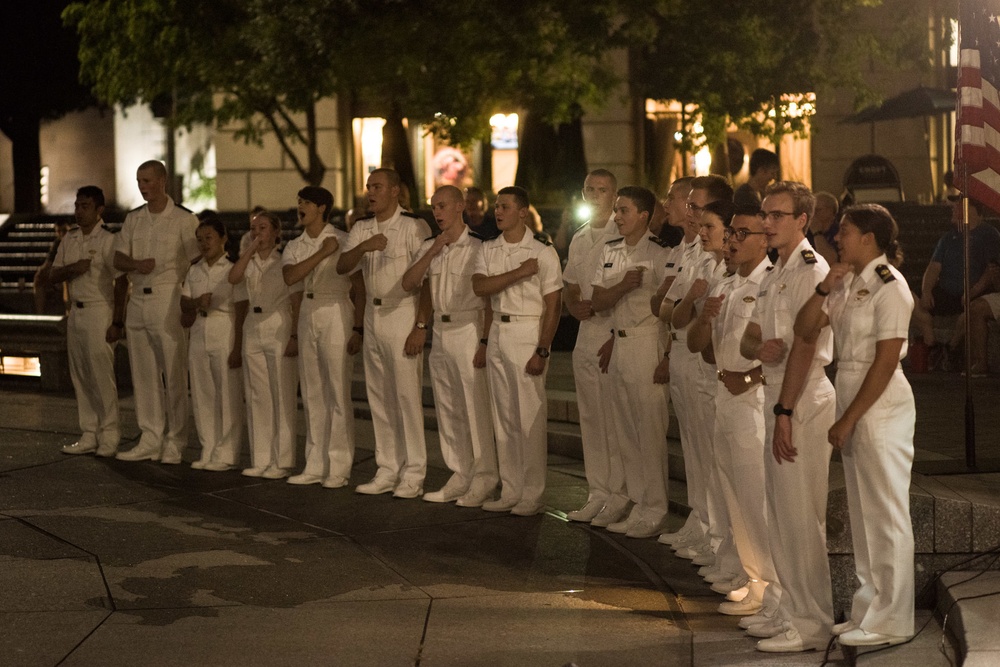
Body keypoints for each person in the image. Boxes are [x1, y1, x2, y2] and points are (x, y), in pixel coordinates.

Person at [793, 204, 915, 648]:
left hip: (880, 402)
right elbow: (804, 328)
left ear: (869, 237)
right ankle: (869, 607)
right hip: (851, 389)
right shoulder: (847, 283)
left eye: (844, 230)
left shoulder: (891, 287)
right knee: (864, 514)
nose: (836, 237)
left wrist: (847, 418)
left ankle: (894, 618)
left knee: (886, 511)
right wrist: (825, 286)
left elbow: (885, 362)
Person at [739, 181, 836, 652]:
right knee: (780, 512)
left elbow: (807, 344)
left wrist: (785, 411)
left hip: (801, 398)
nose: (767, 223)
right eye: (765, 214)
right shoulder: (776, 271)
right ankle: (789, 609)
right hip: (778, 393)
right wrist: (760, 348)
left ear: (803, 220)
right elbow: (755, 339)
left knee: (801, 517)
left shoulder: (808, 270)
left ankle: (813, 624)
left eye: (778, 215)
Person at [687, 203, 777, 621]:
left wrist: (753, 378)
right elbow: (701, 348)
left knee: (756, 498)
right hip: (724, 393)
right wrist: (704, 319)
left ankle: (773, 587)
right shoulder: (727, 283)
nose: (733, 241)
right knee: (734, 497)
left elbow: (786, 348)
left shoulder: (769, 284)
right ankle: (753, 580)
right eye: (734, 233)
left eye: (743, 234)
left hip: (751, 398)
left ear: (764, 239)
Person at [401, 185, 498, 506]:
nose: (437, 213)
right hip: (440, 333)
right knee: (448, 407)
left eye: (442, 206)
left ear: (460, 207)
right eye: (434, 207)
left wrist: (484, 341)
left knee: (475, 407)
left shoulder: (479, 246)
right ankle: (460, 473)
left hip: (468, 328)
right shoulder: (432, 245)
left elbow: (488, 300)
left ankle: (484, 476)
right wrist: (432, 250)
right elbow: (411, 283)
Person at [337, 168, 432, 498]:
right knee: (379, 396)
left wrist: (421, 325)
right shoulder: (362, 227)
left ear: (395, 190)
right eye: (368, 187)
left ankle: (415, 473)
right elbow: (342, 266)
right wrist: (364, 246)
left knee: (406, 396)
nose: (370, 192)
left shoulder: (412, 226)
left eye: (377, 186)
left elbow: (429, 278)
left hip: (402, 310)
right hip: (373, 314)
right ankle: (387, 468)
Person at [472, 186, 562, 516]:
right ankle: (511, 489)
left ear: (523, 212)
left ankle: (532, 493)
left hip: (527, 330)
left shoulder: (542, 251)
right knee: (505, 417)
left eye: (505, 207)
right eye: (497, 206)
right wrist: (519, 273)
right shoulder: (489, 249)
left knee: (529, 418)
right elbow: (480, 287)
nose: (498, 212)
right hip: (498, 329)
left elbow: (554, 304)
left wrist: (543, 349)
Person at [590, 186, 672, 538]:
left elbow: (666, 311)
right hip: (619, 341)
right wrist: (623, 286)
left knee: (648, 430)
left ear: (644, 215)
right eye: (617, 210)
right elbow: (598, 300)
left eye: (624, 210)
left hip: (646, 341)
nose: (617, 216)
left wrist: (666, 355)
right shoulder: (609, 251)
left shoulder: (659, 254)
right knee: (624, 430)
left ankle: (655, 506)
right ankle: (638, 502)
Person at [114, 160, 200, 464]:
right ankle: (149, 437)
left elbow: (197, 262)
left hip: (168, 297)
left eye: (148, 181)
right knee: (144, 374)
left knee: (174, 374)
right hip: (138, 298)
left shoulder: (183, 219)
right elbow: (118, 258)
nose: (142, 186)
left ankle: (176, 440)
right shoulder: (134, 219)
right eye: (139, 181)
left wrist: (189, 302)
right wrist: (136, 265)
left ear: (162, 181)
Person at [282, 186, 363, 489]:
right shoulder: (297, 244)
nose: (300, 207)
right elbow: (291, 277)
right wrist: (321, 253)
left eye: (306, 203)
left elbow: (359, 286)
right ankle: (315, 463)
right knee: (313, 390)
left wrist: (357, 328)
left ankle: (339, 466)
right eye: (299, 201)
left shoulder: (343, 240)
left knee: (337, 390)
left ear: (322, 208)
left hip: (336, 307)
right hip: (308, 309)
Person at [561, 169, 628, 525]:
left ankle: (619, 494)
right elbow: (571, 282)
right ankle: (597, 491)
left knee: (614, 417)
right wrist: (574, 306)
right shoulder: (580, 236)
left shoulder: (623, 236)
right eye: (589, 189)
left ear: (614, 194)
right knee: (590, 416)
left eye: (602, 190)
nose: (594, 195)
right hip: (586, 330)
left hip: (612, 328)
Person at [50, 186, 127, 457]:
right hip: (76, 310)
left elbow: (120, 282)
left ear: (99, 210)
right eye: (77, 205)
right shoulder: (69, 239)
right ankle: (89, 432)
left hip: (99, 310)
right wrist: (73, 269)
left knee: (101, 374)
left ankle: (110, 434)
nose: (79, 211)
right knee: (81, 373)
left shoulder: (109, 240)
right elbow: (53, 275)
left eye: (85, 206)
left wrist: (117, 321)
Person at [229, 211, 302, 479]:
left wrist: (294, 335)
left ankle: (281, 460)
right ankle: (261, 457)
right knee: (257, 394)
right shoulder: (247, 261)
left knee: (280, 393)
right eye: (253, 228)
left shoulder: (284, 260)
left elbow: (296, 300)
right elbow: (233, 278)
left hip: (278, 323)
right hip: (253, 324)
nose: (257, 233)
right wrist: (248, 251)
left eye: (262, 228)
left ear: (275, 232)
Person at [181, 216, 245, 471]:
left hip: (224, 328)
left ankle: (227, 453)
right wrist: (197, 302)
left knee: (227, 393)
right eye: (200, 239)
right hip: (199, 329)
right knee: (202, 392)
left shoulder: (231, 269)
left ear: (223, 239)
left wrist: (237, 346)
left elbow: (241, 309)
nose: (204, 243)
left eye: (209, 238)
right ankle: (208, 447)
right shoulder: (195, 269)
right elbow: (183, 302)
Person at [911, 195, 1000, 368]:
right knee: (909, 296)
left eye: (955, 207)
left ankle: (951, 348)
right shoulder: (948, 237)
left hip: (975, 291)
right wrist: (927, 290)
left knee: (969, 313)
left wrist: (972, 291)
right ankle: (931, 342)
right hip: (947, 292)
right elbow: (933, 267)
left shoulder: (989, 234)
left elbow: (992, 271)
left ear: (968, 209)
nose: (952, 210)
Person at [33, 219, 71, 315]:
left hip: (75, 274)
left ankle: (69, 312)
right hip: (61, 273)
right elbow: (48, 264)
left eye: (64, 231)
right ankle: (40, 315)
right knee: (39, 279)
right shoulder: (58, 243)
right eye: (58, 231)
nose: (61, 234)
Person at [809, 192, 839, 265]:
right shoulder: (806, 232)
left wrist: (817, 233)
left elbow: (829, 261)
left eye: (818, 210)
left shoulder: (839, 232)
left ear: (831, 211)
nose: (813, 214)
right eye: (812, 210)